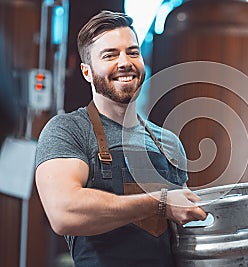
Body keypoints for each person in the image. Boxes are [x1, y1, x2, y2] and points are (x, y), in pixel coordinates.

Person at [35, 10, 207, 267]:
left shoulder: (168, 143)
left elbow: (185, 234)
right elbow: (64, 212)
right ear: (87, 72)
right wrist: (159, 203)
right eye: (110, 55)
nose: (125, 62)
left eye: (133, 52)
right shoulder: (68, 130)